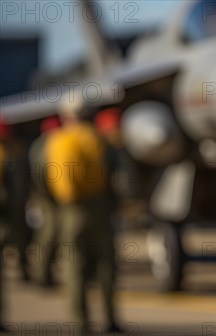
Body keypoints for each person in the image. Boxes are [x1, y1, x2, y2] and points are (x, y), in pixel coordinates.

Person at [44, 100, 121, 333]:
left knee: (74, 265)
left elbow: (59, 181)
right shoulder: (100, 138)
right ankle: (110, 318)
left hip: (72, 209)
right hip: (100, 207)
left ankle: (81, 323)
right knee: (106, 265)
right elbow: (116, 174)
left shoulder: (58, 140)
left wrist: (65, 202)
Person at [28, 116, 62, 286]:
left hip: (48, 196)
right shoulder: (45, 146)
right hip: (48, 198)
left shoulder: (41, 144)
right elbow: (42, 174)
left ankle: (44, 273)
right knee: (49, 233)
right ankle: (42, 275)